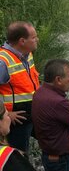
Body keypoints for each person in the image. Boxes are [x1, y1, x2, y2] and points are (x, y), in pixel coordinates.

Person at [0, 21, 39, 153]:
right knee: (19, 155)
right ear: (22, 41)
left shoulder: (27, 54)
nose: (36, 40)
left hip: (31, 113)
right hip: (15, 121)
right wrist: (5, 114)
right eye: (33, 37)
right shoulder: (2, 62)